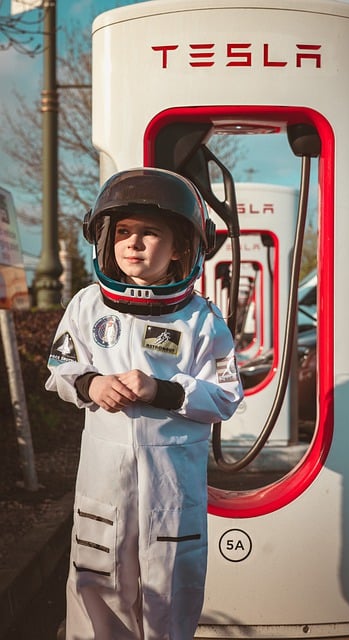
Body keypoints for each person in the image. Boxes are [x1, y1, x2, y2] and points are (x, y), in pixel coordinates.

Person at [46, 167, 243, 640]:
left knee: (171, 585)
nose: (133, 243)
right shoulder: (88, 306)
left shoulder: (202, 320)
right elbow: (60, 370)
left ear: (180, 247)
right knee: (96, 578)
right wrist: (91, 384)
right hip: (104, 480)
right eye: (124, 232)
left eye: (150, 233)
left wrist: (165, 390)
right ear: (106, 240)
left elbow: (226, 397)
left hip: (172, 487)